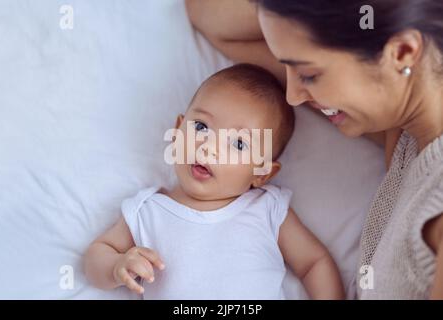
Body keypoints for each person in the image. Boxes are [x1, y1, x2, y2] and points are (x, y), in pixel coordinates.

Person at [186, 0, 443, 299]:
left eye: (309, 75)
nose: (293, 97)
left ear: (401, 52)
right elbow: (207, 14)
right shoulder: (405, 129)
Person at [83, 64, 345, 299]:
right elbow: (97, 255)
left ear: (261, 173)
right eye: (200, 127)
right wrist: (117, 266)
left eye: (239, 143)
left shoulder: (268, 209)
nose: (208, 147)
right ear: (177, 132)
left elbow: (314, 263)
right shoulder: (148, 210)